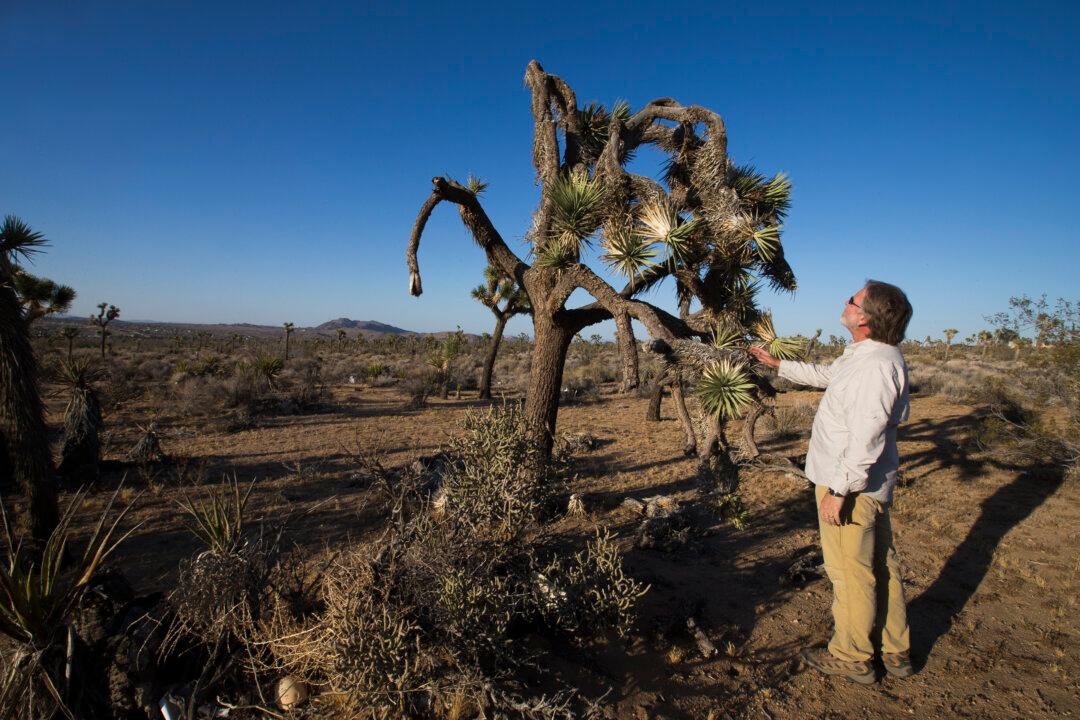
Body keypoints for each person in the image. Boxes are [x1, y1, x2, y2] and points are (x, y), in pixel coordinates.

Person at [749, 280, 914, 684]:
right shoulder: (867, 356)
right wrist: (778, 365)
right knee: (880, 564)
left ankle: (852, 655)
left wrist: (839, 491)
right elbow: (829, 376)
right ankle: (895, 648)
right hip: (864, 482)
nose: (846, 302)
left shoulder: (875, 367)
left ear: (866, 318)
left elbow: (866, 436)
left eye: (853, 300)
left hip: (851, 485)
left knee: (849, 571)